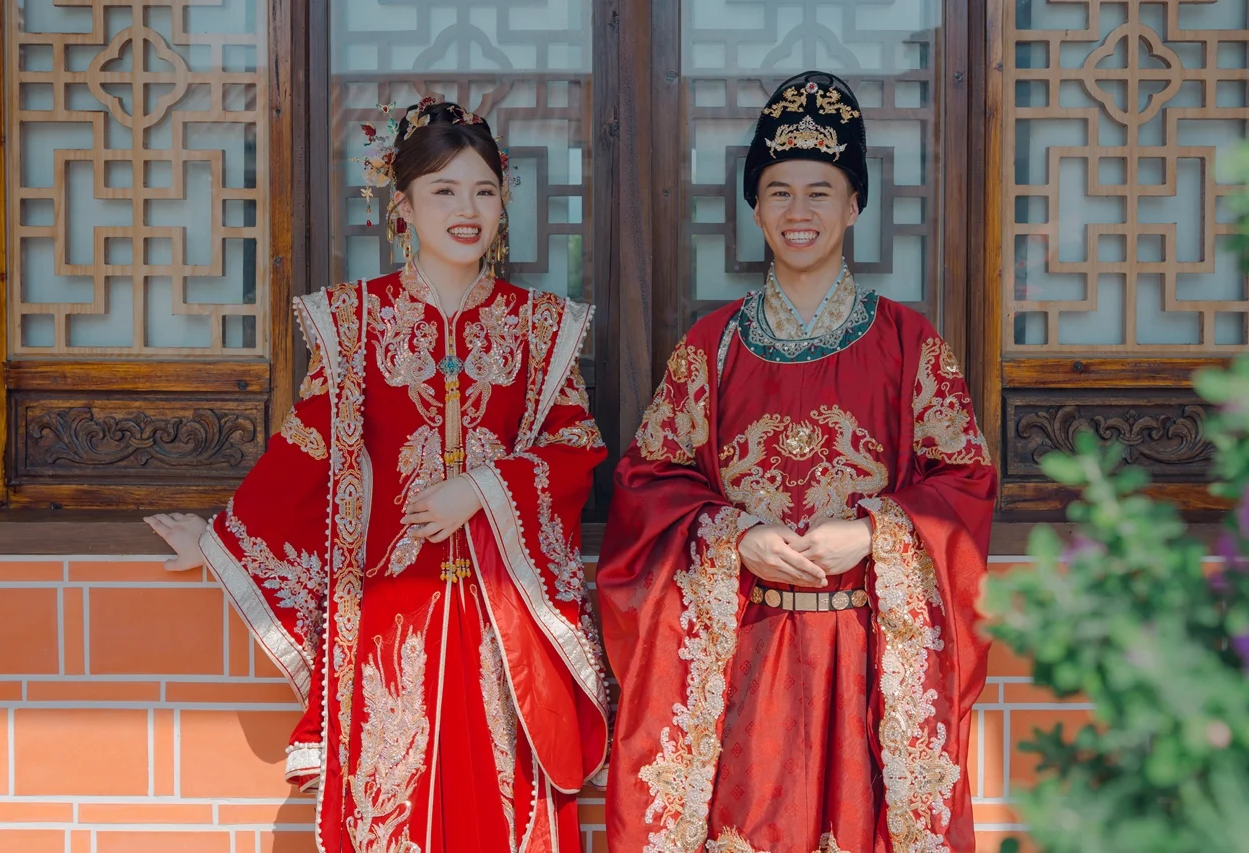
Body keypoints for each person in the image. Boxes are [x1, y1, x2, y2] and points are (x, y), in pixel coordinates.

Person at [146, 97, 609, 853]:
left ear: (503, 205)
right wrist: (220, 540)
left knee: (502, 805)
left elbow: (575, 446)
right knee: (396, 799)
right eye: (443, 190)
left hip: (504, 617)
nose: (466, 209)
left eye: (484, 191)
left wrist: (481, 489)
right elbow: (308, 448)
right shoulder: (354, 321)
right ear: (403, 208)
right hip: (392, 611)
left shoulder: (541, 326)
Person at [595, 71, 997, 853]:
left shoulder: (910, 345)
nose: (799, 212)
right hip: (745, 657)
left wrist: (876, 533)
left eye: (821, 191)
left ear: (854, 206)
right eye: (779, 192)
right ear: (755, 208)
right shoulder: (709, 350)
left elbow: (966, 480)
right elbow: (646, 484)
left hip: (867, 660)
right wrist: (733, 535)